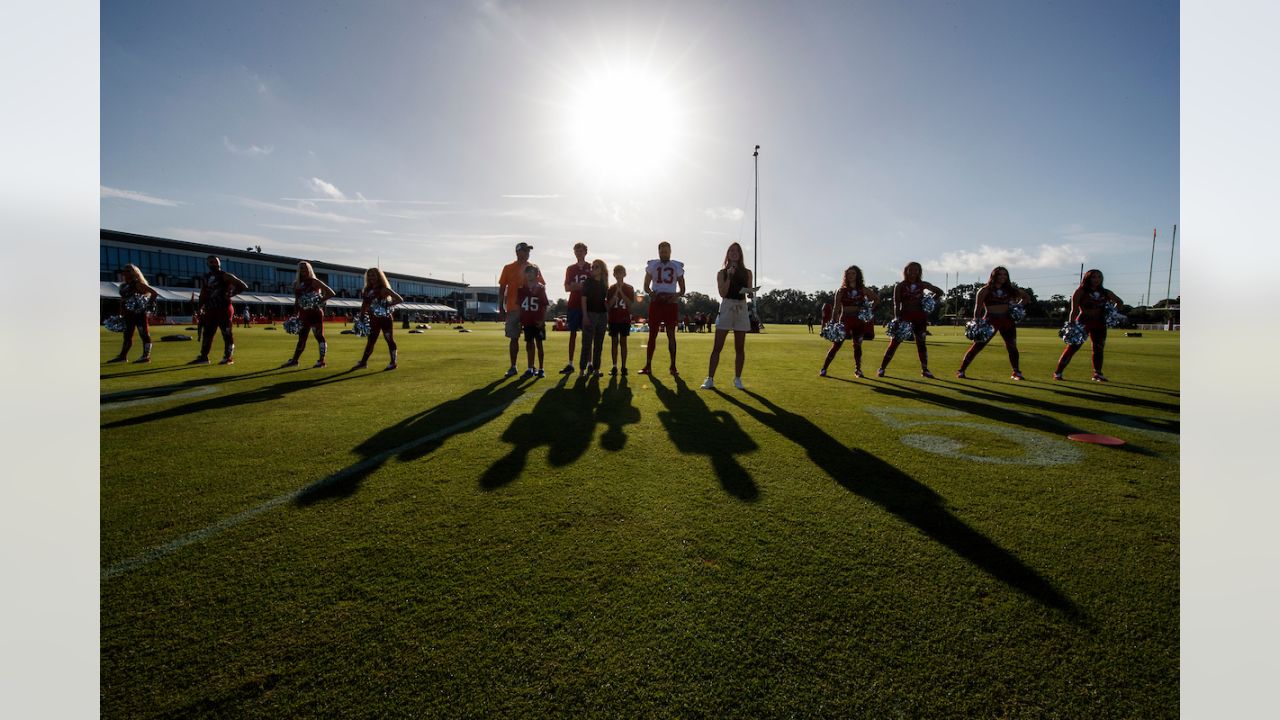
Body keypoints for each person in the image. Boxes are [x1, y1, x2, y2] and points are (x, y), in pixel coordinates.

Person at [956, 266, 1031, 380]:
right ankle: (961, 370)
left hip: (1007, 320)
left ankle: (1016, 372)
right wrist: (977, 321)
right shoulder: (985, 290)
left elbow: (1026, 297)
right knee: (978, 346)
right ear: (994, 276)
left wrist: (1017, 306)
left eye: (1005, 275)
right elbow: (978, 307)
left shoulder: (1010, 290)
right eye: (1000, 274)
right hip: (991, 320)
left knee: (1012, 347)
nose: (1003, 277)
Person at [700, 242, 754, 390]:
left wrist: (750, 293)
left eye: (737, 250)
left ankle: (737, 378)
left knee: (740, 347)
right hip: (727, 305)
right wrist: (729, 276)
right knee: (717, 346)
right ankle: (710, 378)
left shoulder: (748, 272)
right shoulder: (721, 273)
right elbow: (722, 293)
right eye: (731, 250)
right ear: (728, 254)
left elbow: (749, 292)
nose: (734, 252)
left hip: (741, 307)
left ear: (740, 254)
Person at [877, 261, 944, 378]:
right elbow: (896, 304)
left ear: (919, 272)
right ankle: (882, 368)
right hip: (905, 316)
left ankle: (925, 369)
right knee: (895, 342)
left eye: (916, 270)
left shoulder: (923, 284)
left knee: (921, 343)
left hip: (920, 317)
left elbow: (939, 292)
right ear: (906, 271)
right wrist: (897, 318)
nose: (913, 272)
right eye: (911, 269)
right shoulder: (900, 286)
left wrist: (930, 301)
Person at [1054, 269, 1124, 382]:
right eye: (1094, 277)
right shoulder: (1080, 291)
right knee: (1073, 348)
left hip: (1100, 323)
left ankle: (1098, 374)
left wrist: (1112, 312)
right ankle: (1058, 372)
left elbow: (1120, 302)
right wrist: (1071, 323)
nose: (1097, 280)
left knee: (1098, 348)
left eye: (1099, 277)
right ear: (1088, 278)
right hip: (1083, 322)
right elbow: (1074, 309)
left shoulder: (1105, 292)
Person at [498, 242, 545, 377]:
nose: (527, 253)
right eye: (525, 250)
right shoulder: (508, 268)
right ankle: (513, 366)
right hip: (513, 308)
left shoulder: (534, 268)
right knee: (514, 338)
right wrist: (501, 308)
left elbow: (542, 285)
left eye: (528, 251)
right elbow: (502, 289)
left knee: (532, 339)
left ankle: (532, 366)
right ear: (518, 252)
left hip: (530, 309)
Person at [819, 265, 875, 378]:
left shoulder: (863, 289)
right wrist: (834, 323)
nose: (850, 276)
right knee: (836, 345)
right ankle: (824, 369)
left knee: (858, 345)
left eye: (853, 273)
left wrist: (868, 310)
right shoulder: (841, 290)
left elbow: (876, 299)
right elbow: (836, 308)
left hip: (859, 321)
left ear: (858, 275)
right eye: (848, 274)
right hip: (845, 320)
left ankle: (858, 370)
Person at [639, 241, 686, 375]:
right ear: (658, 252)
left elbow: (683, 289)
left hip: (671, 302)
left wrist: (675, 296)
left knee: (671, 334)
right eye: (661, 251)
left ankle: (673, 366)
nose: (663, 253)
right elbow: (646, 286)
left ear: (670, 252)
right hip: (657, 301)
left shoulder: (676, 266)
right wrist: (651, 293)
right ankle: (648, 365)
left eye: (666, 251)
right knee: (652, 334)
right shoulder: (653, 265)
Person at [190, 255, 247, 365]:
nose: (213, 264)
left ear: (219, 263)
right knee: (207, 334)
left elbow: (243, 286)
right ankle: (204, 357)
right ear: (207, 264)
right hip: (210, 309)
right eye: (210, 262)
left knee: (227, 333)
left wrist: (231, 294)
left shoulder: (225, 276)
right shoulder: (205, 277)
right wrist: (200, 307)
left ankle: (228, 357)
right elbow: (203, 294)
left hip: (224, 309)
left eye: (215, 261)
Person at [282, 261, 336, 368]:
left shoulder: (314, 281)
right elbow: (297, 301)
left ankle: (321, 361)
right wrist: (294, 315)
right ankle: (295, 360)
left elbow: (331, 293)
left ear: (309, 269)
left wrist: (319, 300)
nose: (303, 270)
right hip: (303, 315)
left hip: (315, 313)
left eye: (305, 268)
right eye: (301, 268)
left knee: (319, 336)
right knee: (301, 338)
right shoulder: (296, 284)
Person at [107, 263, 160, 364]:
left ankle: (146, 356)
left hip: (139, 314)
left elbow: (154, 293)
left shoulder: (137, 284)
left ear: (134, 272)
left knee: (144, 334)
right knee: (127, 335)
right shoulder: (123, 285)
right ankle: (123, 356)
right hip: (128, 314)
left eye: (128, 271)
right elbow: (123, 300)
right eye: (125, 271)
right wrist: (121, 313)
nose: (125, 273)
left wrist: (148, 305)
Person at [354, 267, 404, 371]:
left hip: (385, 319)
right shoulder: (367, 290)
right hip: (373, 319)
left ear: (379, 276)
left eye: (373, 275)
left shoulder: (384, 289)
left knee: (389, 339)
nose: (371, 277)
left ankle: (393, 362)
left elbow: (399, 299)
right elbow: (364, 304)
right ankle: (363, 362)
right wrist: (362, 316)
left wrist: (387, 304)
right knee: (371, 341)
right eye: (369, 275)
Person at [561, 242, 591, 373]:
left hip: (588, 305)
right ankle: (571, 363)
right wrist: (581, 286)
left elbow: (592, 287)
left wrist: (576, 285)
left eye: (581, 250)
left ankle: (589, 363)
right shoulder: (570, 268)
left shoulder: (591, 267)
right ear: (574, 253)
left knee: (588, 336)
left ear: (586, 252)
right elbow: (567, 287)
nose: (579, 253)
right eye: (577, 251)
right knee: (572, 334)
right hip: (574, 304)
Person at [579, 258, 610, 377]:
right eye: (592, 267)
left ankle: (596, 369)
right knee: (586, 343)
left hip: (602, 316)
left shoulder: (604, 284)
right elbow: (583, 300)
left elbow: (605, 301)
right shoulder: (588, 282)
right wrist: (585, 315)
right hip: (590, 314)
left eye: (596, 267)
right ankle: (582, 370)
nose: (593, 269)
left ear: (602, 270)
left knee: (599, 344)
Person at [516, 264, 548, 378]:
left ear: (537, 274)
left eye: (532, 272)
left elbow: (544, 306)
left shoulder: (540, 288)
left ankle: (541, 368)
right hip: (527, 321)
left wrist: (543, 320)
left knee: (539, 344)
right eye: (527, 272)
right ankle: (530, 368)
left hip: (537, 321)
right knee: (529, 344)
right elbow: (520, 307)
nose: (529, 274)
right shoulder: (521, 289)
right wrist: (520, 322)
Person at [606, 264, 637, 376]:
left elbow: (629, 305)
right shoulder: (610, 288)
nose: (618, 275)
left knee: (623, 342)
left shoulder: (629, 288)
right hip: (613, 319)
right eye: (616, 273)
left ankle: (624, 366)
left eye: (621, 273)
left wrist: (621, 291)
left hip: (624, 319)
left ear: (624, 274)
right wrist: (615, 292)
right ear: (614, 274)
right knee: (614, 343)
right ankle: (614, 366)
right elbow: (608, 306)